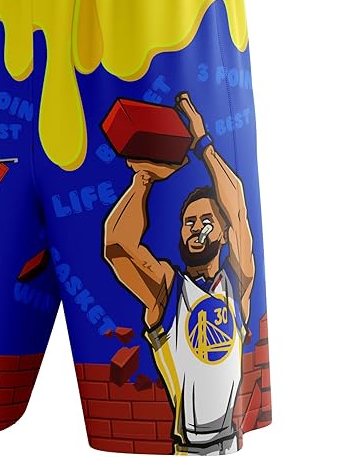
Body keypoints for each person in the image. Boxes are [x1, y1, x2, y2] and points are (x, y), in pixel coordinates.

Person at [103, 92, 256, 455]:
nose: (196, 228)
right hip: (188, 448)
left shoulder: (236, 286)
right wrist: (144, 179)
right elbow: (118, 246)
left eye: (206, 220)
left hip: (230, 442)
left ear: (223, 234)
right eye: (189, 222)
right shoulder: (169, 290)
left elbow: (237, 206)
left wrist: (203, 144)